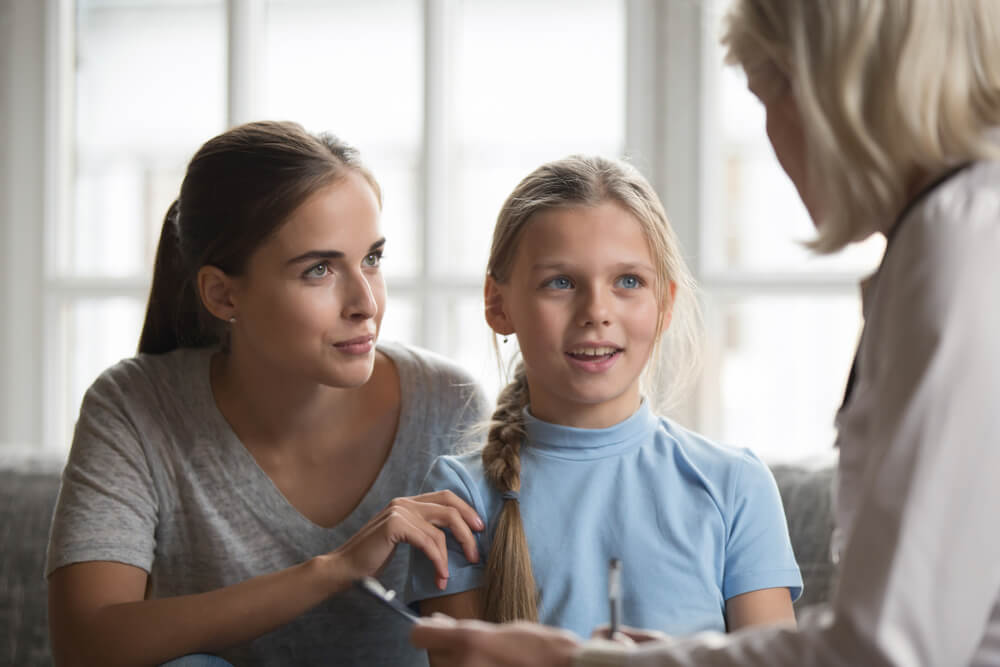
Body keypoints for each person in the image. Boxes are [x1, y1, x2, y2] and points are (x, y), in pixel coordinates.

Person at [409, 0, 1000, 664]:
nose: (773, 139)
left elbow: (891, 646)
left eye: (767, 95)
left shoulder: (963, 249)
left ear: (833, 88)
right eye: (560, 281)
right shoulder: (947, 240)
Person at [46, 120, 489, 667]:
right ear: (222, 293)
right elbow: (84, 643)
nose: (366, 303)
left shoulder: (448, 401)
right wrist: (333, 569)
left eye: (372, 258)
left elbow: (485, 640)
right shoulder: (135, 407)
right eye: (319, 269)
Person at [405, 155, 802, 657]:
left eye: (629, 282)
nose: (596, 311)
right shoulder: (459, 498)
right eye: (561, 282)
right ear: (498, 304)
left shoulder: (736, 484)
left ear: (665, 304)